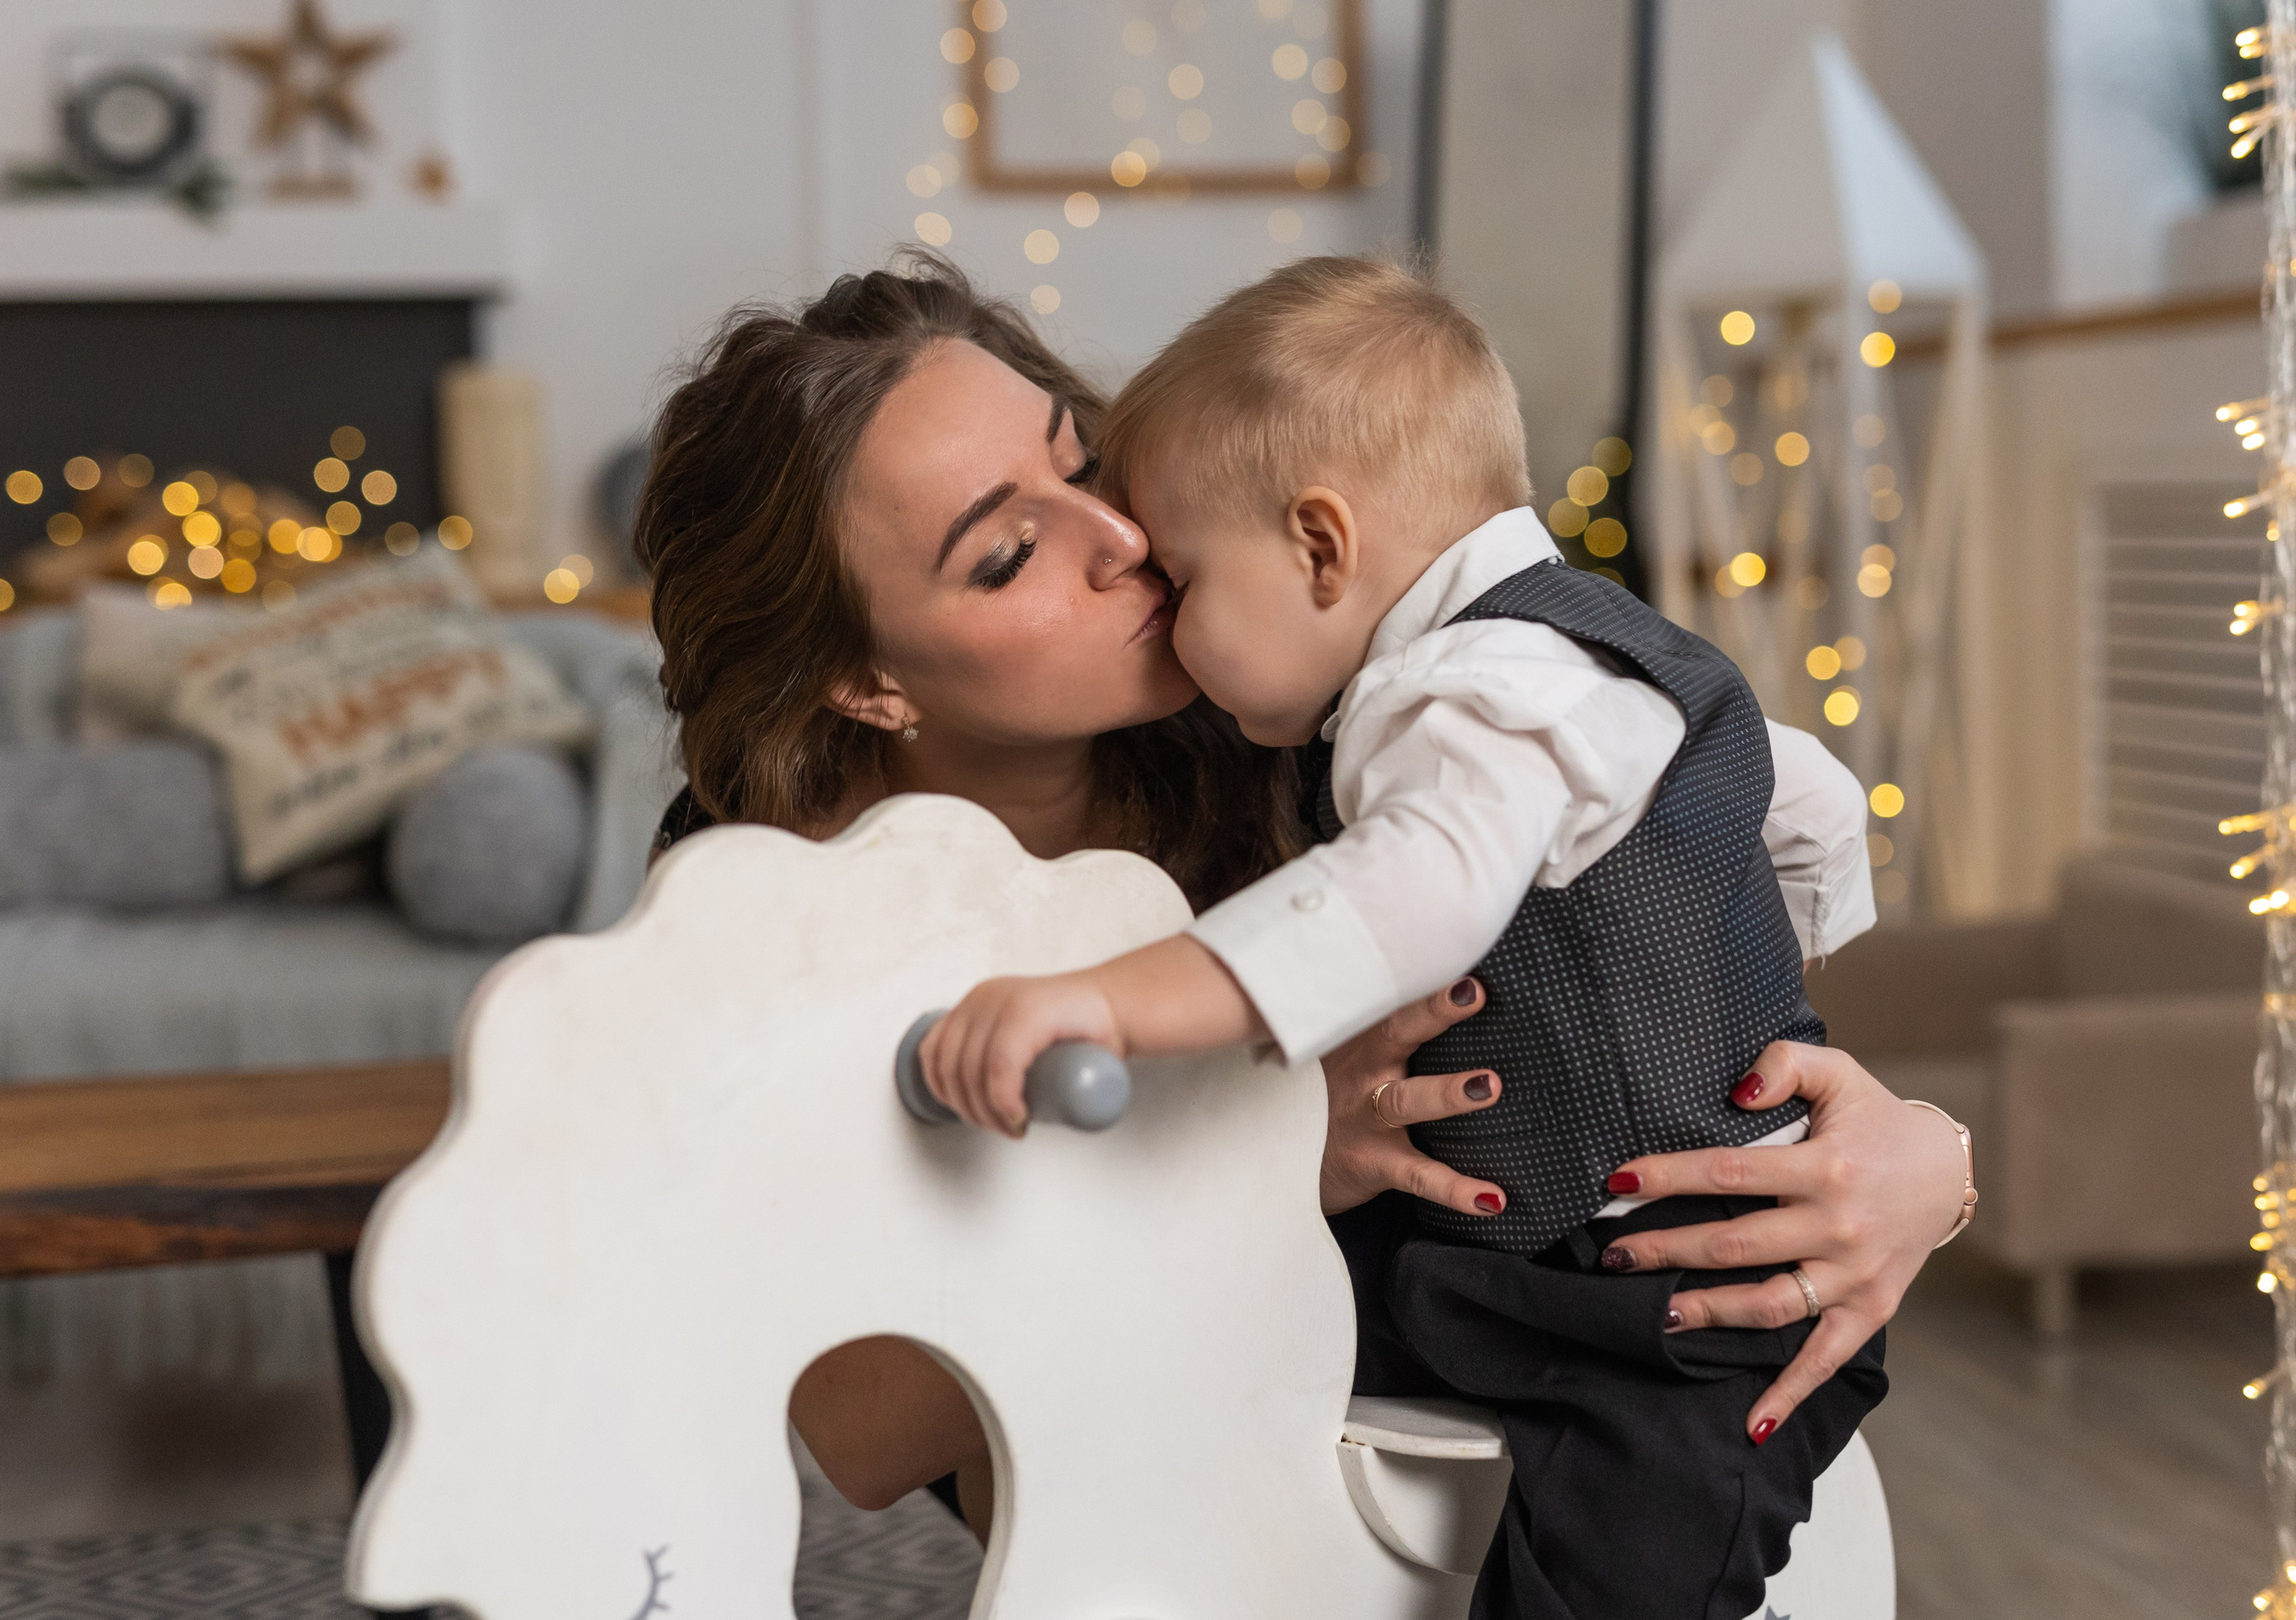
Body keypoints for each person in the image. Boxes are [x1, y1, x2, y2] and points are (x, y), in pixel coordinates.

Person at [633, 251, 1979, 1560]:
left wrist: (1919, 1161)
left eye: (1083, 461)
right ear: (866, 685)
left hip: (1469, 1397)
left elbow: (1660, 960)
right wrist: (1258, 1159)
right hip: (1129, 1512)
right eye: (1004, 556)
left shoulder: (1300, 704)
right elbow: (857, 1435)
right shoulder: (756, 899)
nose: (1118, 543)